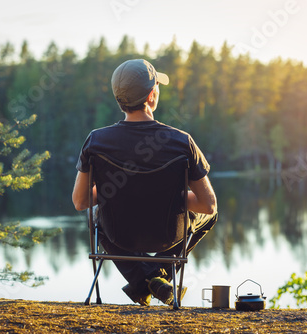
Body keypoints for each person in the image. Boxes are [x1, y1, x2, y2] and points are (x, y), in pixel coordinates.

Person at [72, 59, 217, 306]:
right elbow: (208, 205)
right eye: (157, 86)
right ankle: (156, 274)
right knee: (210, 216)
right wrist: (172, 197)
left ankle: (144, 279)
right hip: (168, 235)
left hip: (120, 236)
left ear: (119, 98)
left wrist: (114, 191)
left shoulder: (96, 141)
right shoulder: (181, 142)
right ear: (151, 95)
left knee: (99, 218)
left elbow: (81, 201)